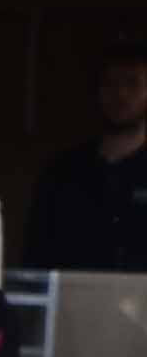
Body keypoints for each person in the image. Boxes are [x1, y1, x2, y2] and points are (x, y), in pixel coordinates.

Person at [30, 42, 147, 278]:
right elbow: (37, 256)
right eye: (111, 84)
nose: (121, 94)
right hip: (74, 306)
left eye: (132, 83)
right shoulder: (63, 172)